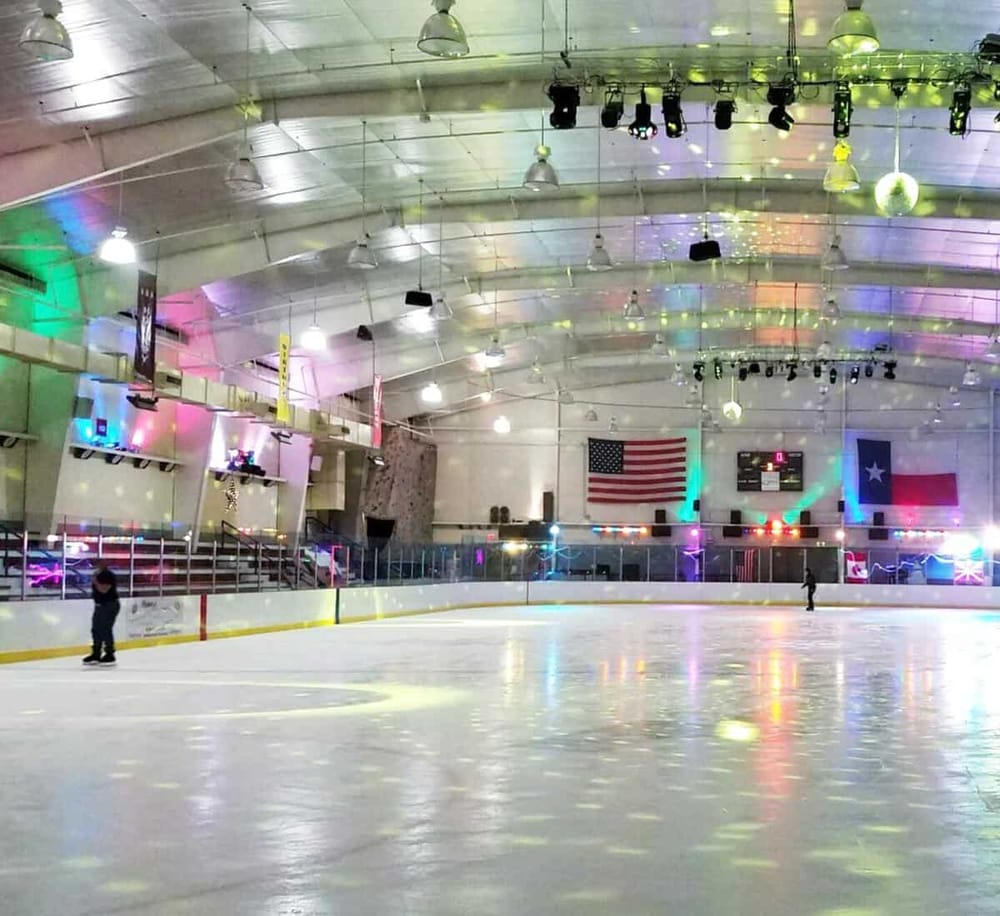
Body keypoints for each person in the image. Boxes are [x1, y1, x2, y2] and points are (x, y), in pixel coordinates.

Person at [83, 560, 120, 665]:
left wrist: (95, 582)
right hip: (100, 605)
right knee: (96, 629)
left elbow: (104, 589)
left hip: (109, 605)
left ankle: (109, 653)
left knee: (105, 629)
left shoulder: (107, 575)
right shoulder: (99, 574)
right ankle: (96, 653)